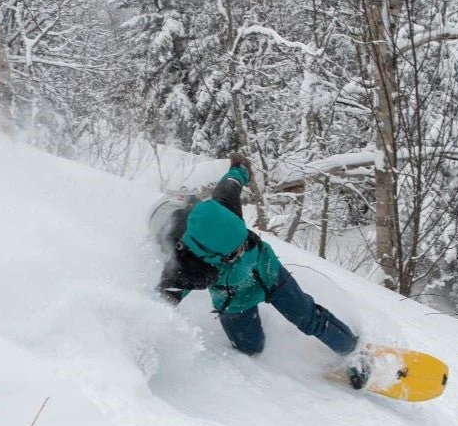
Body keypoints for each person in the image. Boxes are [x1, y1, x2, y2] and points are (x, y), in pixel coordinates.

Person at [157, 154, 370, 388]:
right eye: (235, 251)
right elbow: (158, 306)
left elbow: (231, 181)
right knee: (251, 349)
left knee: (308, 316)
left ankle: (353, 352)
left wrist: (240, 167)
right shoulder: (186, 268)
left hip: (269, 272)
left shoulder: (223, 208)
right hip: (234, 300)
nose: (242, 249)